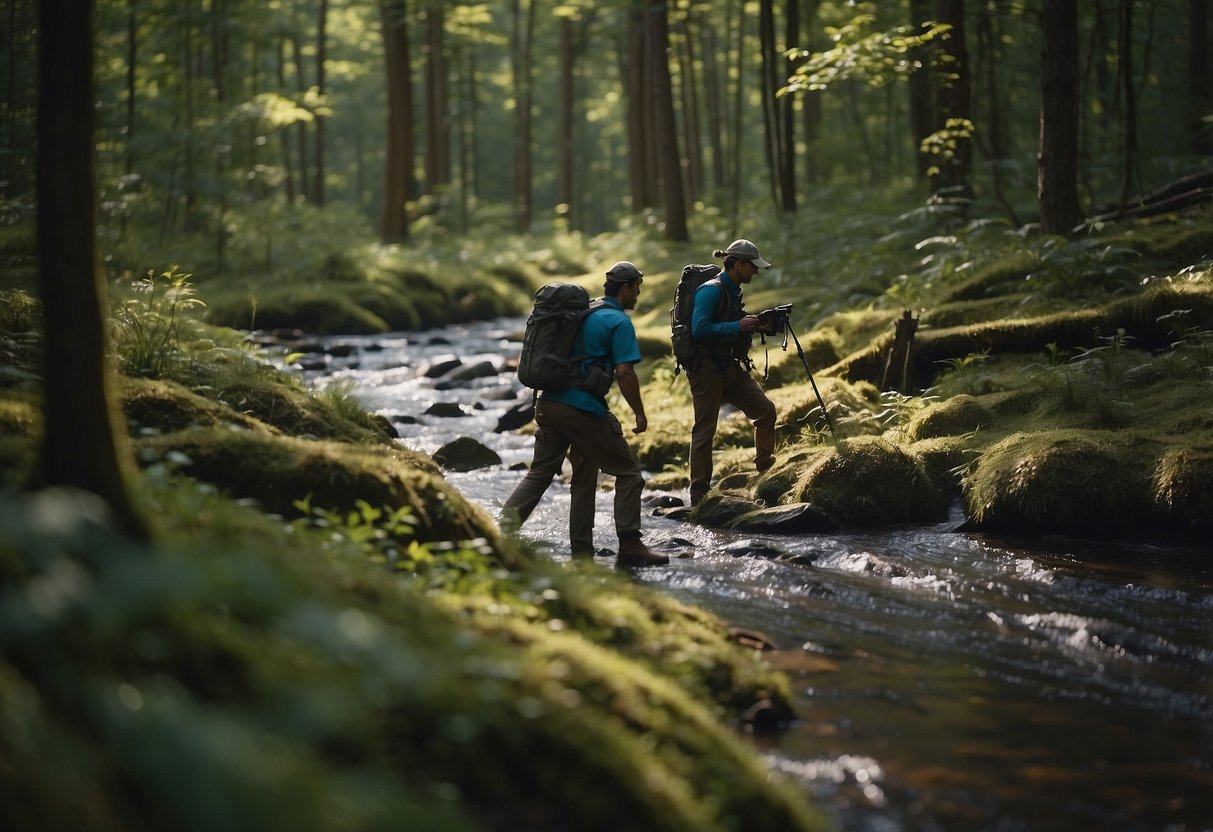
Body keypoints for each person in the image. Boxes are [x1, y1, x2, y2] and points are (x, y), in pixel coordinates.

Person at [502, 261, 668, 567]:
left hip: (547, 405)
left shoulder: (583, 313)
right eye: (637, 289)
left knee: (564, 473)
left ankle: (505, 534)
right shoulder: (617, 321)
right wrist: (639, 414)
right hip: (580, 410)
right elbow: (625, 373)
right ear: (627, 287)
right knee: (629, 473)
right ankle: (631, 544)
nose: (638, 295)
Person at [686, 239, 778, 507]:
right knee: (704, 430)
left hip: (728, 367)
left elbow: (729, 323)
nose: (756, 272)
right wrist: (737, 326)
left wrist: (756, 326)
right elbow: (699, 330)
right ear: (738, 264)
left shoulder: (733, 290)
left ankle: (765, 472)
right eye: (753, 266)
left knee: (765, 410)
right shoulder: (710, 291)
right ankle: (699, 497)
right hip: (705, 369)